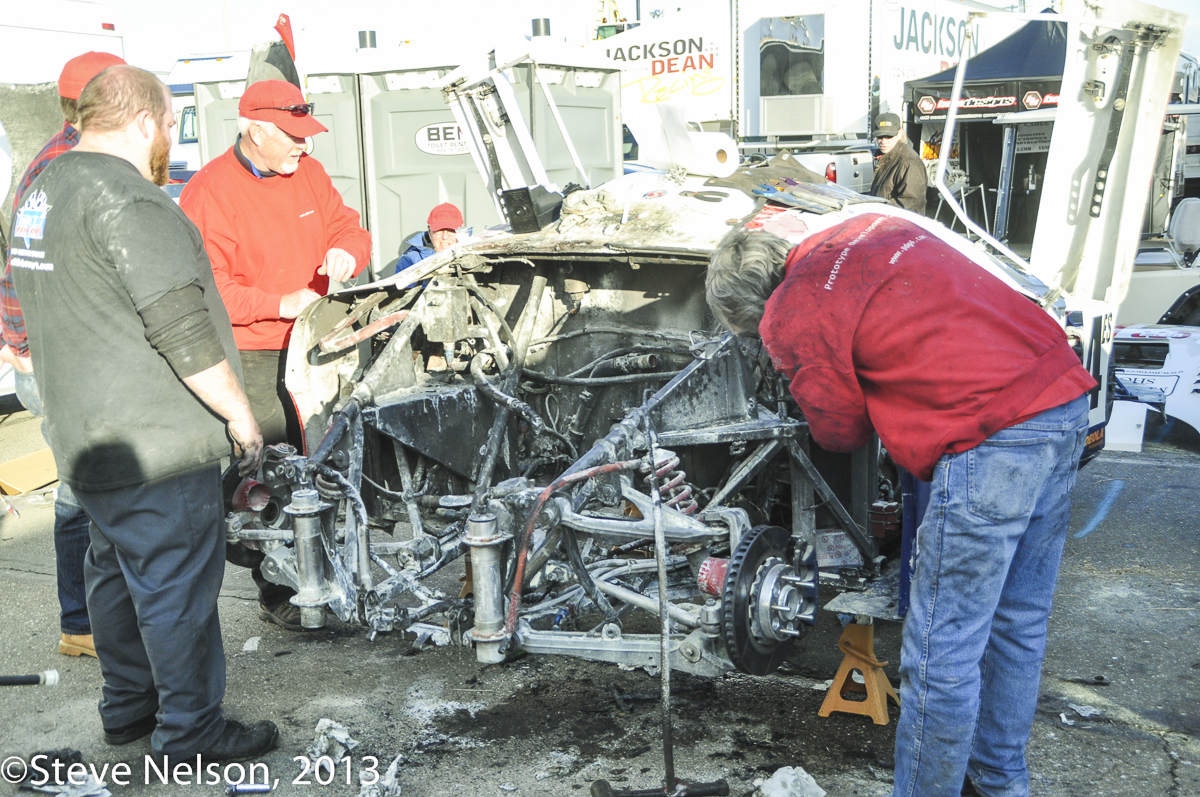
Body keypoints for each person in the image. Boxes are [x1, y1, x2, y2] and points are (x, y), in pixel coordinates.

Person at [706, 214, 1096, 797]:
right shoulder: (869, 227)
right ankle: (999, 782)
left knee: (942, 649)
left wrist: (802, 379)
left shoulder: (792, 310)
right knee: (1017, 624)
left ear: (752, 309)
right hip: (1061, 401)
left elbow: (840, 432)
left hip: (990, 435)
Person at [11, 65, 277, 759]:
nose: (166, 137)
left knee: (114, 574)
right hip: (154, 441)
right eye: (165, 124)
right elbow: (181, 329)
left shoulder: (41, 189)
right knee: (175, 587)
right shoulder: (128, 201)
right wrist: (241, 418)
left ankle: (128, 707)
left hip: (86, 436)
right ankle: (190, 732)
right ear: (141, 121)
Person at [180, 79, 370, 630]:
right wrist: (279, 302)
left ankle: (323, 571)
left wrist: (345, 252)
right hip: (255, 352)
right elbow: (206, 289)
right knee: (268, 472)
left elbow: (350, 227)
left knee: (325, 463)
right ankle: (277, 586)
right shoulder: (209, 192)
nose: (304, 146)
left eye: (307, 135)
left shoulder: (305, 172)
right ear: (253, 129)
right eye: (293, 136)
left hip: (316, 344)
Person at [1, 50, 125, 659]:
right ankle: (80, 623)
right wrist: (21, 344)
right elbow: (17, 267)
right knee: (82, 489)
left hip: (59, 355)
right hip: (58, 361)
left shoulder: (66, 158)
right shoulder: (62, 170)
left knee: (88, 486)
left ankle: (89, 615)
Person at [869, 112, 927, 214]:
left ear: (900, 134)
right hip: (884, 223)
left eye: (888, 136)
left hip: (900, 227)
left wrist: (876, 210)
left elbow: (910, 205)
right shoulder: (885, 158)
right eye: (880, 137)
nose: (883, 141)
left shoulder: (909, 163)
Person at [394, 202, 463, 273]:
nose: (445, 237)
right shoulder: (410, 260)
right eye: (439, 230)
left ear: (460, 232)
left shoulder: (472, 253)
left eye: (451, 231)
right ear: (430, 231)